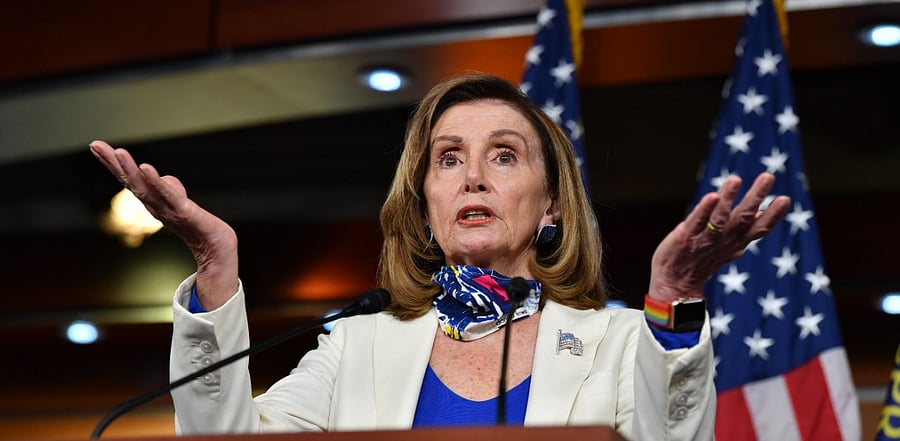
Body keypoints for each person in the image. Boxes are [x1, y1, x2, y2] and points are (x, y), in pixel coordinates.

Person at [89, 73, 790, 440]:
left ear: (551, 204)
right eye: (449, 158)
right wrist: (215, 267)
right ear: (426, 202)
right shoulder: (356, 346)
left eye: (504, 156)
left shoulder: (621, 340)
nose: (472, 177)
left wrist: (672, 293)